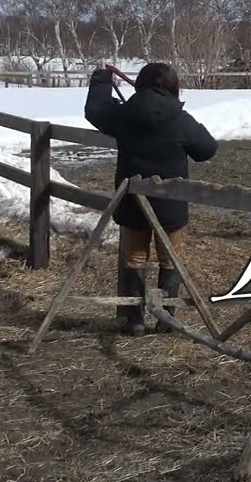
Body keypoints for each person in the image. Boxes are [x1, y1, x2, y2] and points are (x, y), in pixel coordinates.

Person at [84, 62, 218, 336]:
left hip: (132, 201)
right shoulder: (180, 119)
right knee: (171, 259)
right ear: (172, 86)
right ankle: (166, 319)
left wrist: (101, 79)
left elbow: (95, 110)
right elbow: (207, 149)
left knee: (135, 257)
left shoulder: (124, 115)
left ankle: (134, 321)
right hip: (171, 205)